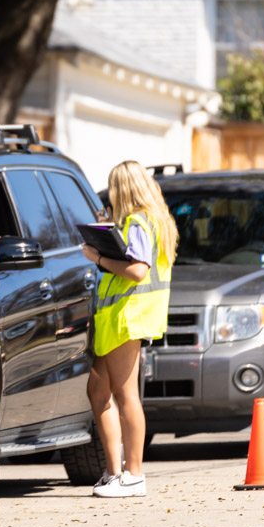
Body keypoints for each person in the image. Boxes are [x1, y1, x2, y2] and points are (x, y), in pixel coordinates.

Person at [80, 161, 176, 497]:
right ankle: (113, 473)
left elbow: (136, 271)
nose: (112, 194)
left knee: (124, 395)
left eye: (113, 188)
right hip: (121, 318)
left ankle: (133, 475)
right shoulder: (154, 220)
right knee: (99, 392)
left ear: (124, 189)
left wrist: (99, 258)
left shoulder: (138, 221)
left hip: (127, 317)